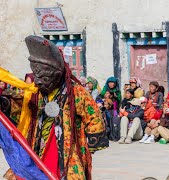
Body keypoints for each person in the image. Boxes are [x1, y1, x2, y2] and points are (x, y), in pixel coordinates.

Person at [10, 36, 108, 179]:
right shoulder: (34, 92)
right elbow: (18, 106)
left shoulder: (75, 92)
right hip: (38, 145)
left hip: (68, 147)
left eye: (43, 78)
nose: (37, 81)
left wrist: (92, 143)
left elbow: (93, 116)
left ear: (57, 75)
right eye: (36, 76)